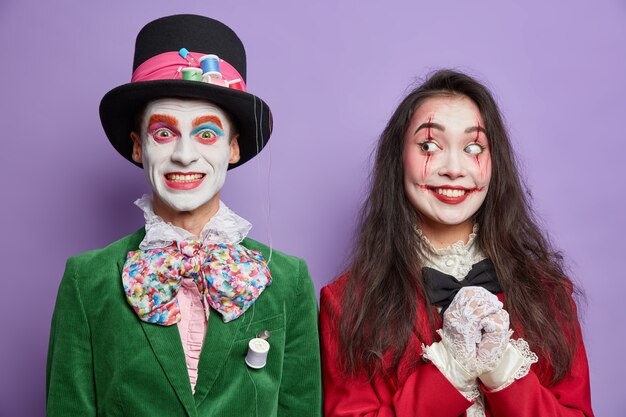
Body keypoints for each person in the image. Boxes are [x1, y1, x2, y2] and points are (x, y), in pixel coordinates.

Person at [47, 14, 321, 417]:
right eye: (164, 133)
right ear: (138, 146)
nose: (184, 154)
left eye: (206, 133)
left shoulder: (289, 281)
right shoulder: (85, 282)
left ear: (233, 148)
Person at [320, 70, 594, 417]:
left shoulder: (549, 293)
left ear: (494, 165)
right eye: (429, 146)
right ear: (398, 159)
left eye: (474, 147)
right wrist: (451, 366)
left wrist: (503, 369)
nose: (453, 168)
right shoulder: (347, 303)